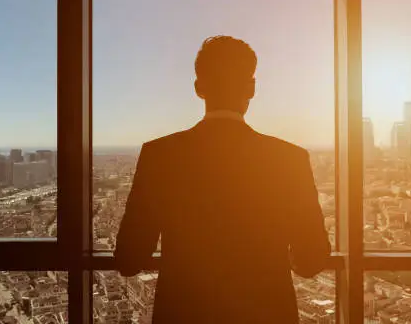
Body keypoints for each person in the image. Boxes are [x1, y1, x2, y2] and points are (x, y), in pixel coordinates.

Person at [115, 35, 331, 324]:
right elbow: (312, 259)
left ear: (199, 88)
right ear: (251, 88)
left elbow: (129, 258)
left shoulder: (160, 156)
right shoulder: (289, 159)